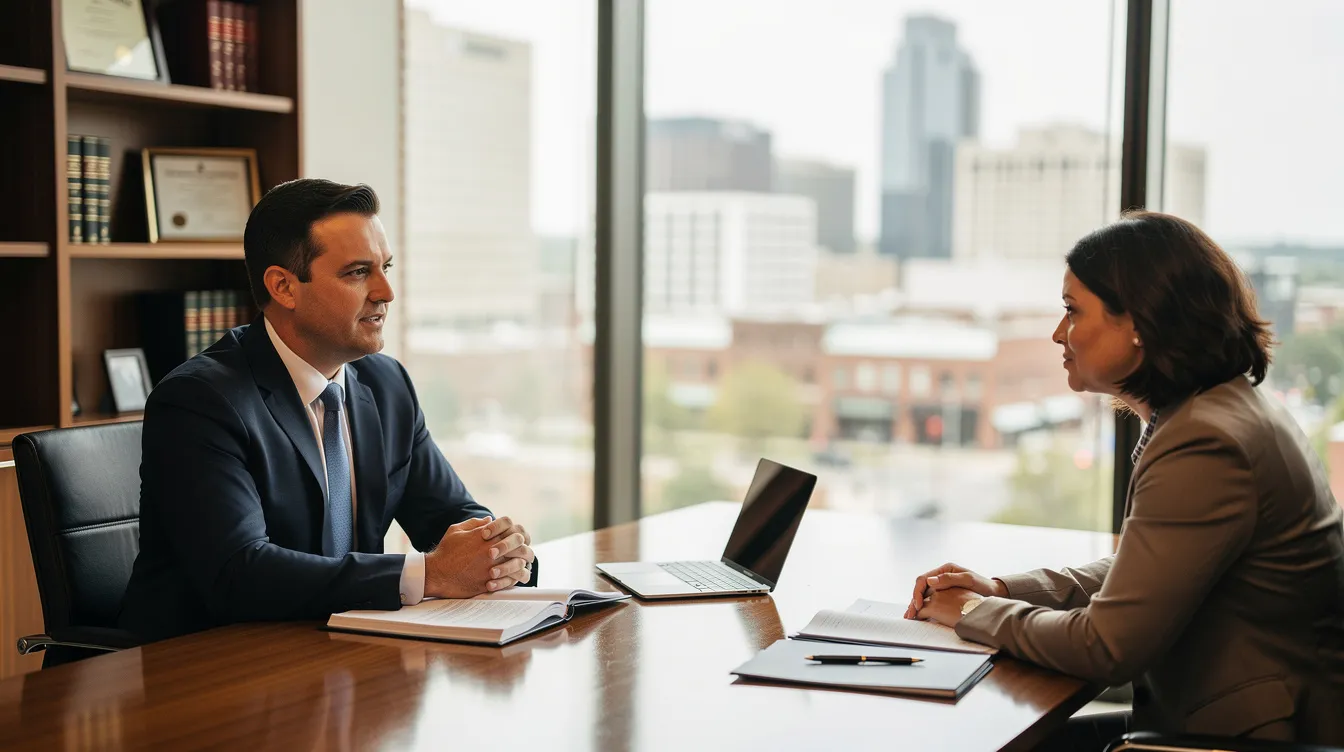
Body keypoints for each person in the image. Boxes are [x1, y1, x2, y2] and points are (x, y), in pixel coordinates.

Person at [904, 212, 1344, 747]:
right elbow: (1150, 564)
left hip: (1243, 738)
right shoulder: (1218, 409)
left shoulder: (1207, 441)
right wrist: (1002, 589)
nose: (1057, 333)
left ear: (1139, 322)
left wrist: (975, 611)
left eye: (1072, 311)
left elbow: (1107, 648)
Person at [120, 179, 537, 642]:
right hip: (208, 668)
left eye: (386, 268)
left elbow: (450, 514)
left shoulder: (387, 384)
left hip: (338, 656)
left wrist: (497, 551)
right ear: (283, 287)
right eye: (358, 272)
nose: (385, 292)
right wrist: (427, 574)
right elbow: (239, 573)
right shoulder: (201, 401)